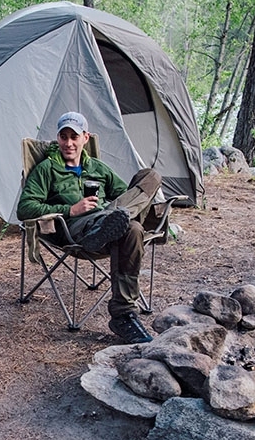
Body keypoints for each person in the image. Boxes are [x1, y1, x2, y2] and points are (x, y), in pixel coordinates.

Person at [17, 111, 163, 345]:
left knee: (148, 179)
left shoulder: (98, 167)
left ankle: (123, 315)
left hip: (110, 223)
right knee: (131, 228)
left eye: (74, 137)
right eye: (63, 137)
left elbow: (126, 195)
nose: (69, 143)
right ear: (58, 139)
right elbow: (24, 208)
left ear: (86, 138)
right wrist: (71, 210)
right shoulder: (46, 169)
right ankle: (124, 312)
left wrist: (116, 209)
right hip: (75, 229)